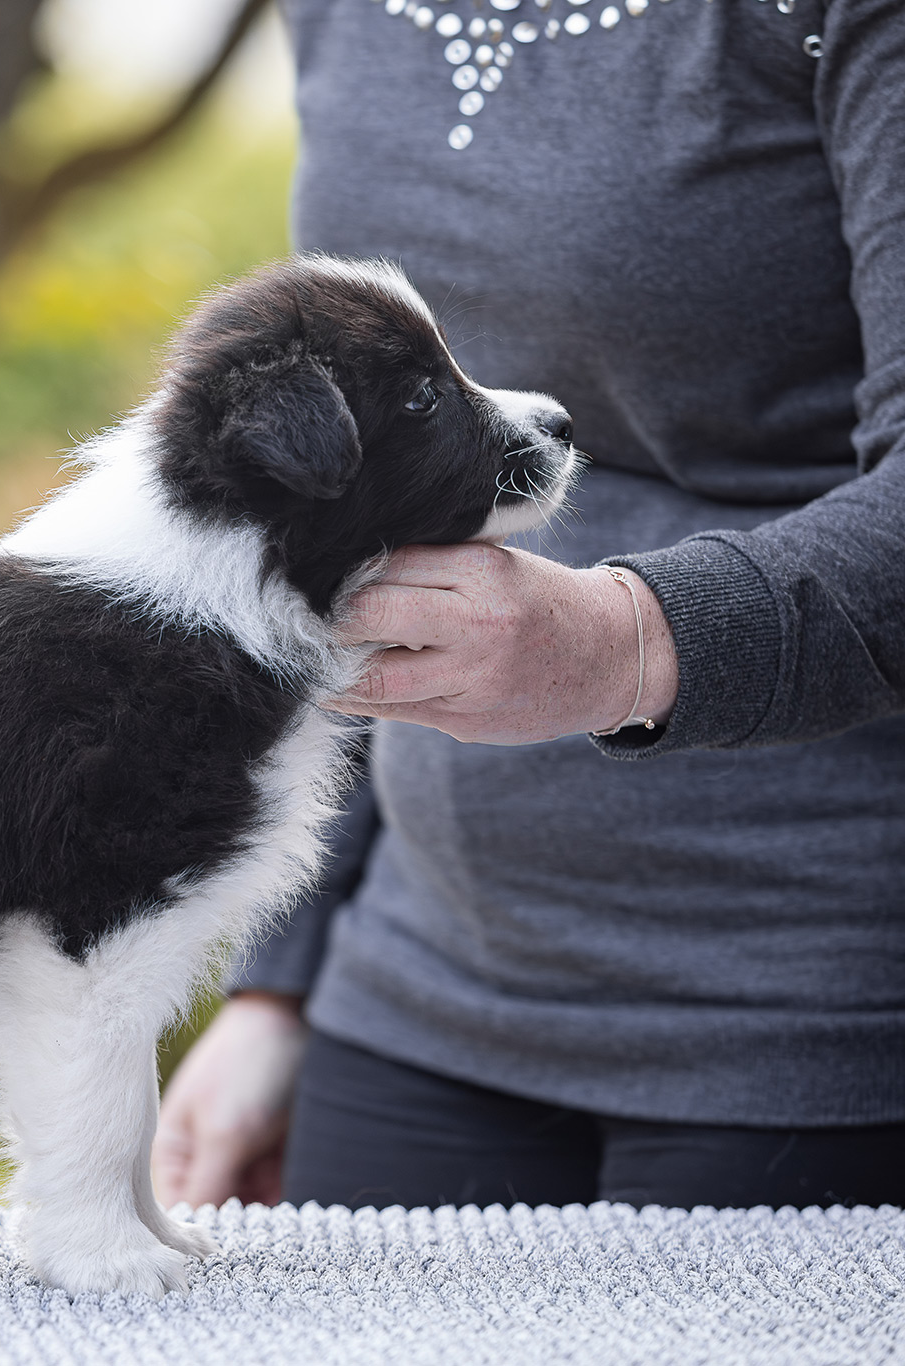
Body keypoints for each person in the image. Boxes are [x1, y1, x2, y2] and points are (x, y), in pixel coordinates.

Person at [152, 0, 905, 1212]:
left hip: (809, 1021)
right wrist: (277, 978)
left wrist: (620, 644)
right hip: (414, 994)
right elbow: (355, 523)